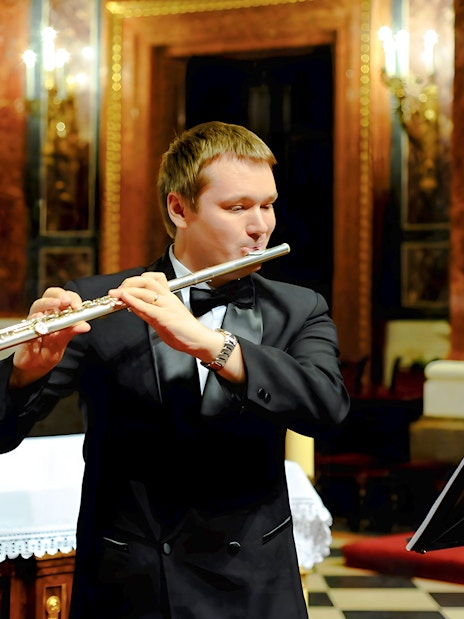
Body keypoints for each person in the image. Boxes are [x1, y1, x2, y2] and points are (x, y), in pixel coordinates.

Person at [0, 120, 350, 619]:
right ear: (178, 208)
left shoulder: (298, 308)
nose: (261, 226)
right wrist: (25, 372)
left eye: (267, 205)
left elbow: (327, 408)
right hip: (129, 587)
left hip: (253, 586)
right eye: (236, 208)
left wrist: (212, 345)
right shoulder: (105, 303)